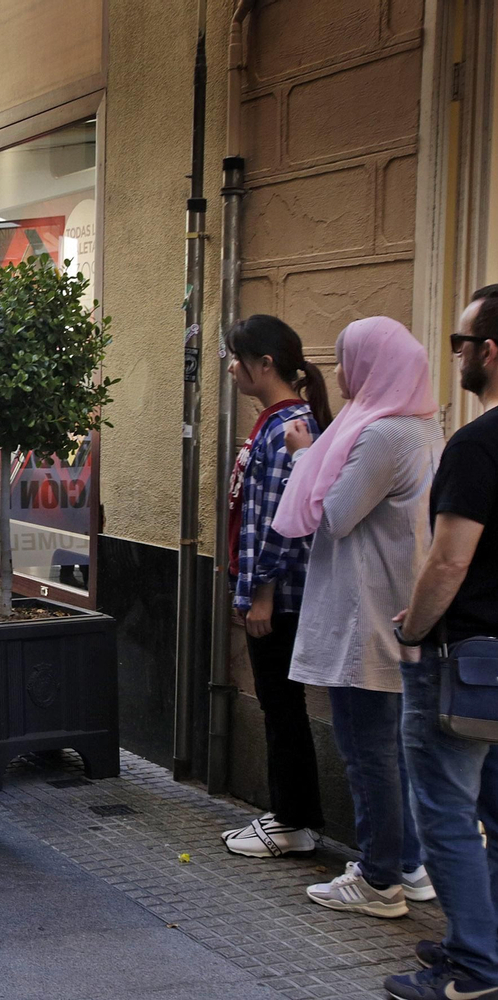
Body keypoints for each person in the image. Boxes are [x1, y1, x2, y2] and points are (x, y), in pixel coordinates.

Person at [274, 316, 440, 918]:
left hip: (363, 613)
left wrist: (304, 455)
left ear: (374, 366)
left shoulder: (381, 436)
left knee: (367, 748)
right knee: (391, 747)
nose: (340, 373)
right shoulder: (418, 427)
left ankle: (378, 880)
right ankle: (410, 865)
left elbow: (337, 513)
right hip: (390, 604)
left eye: (348, 360)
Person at [387, 291, 498, 1000]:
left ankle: (477, 969)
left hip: (468, 659)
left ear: (489, 352)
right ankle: (482, 943)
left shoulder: (478, 444)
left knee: (446, 813)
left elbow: (450, 560)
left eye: (459, 342)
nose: (452, 355)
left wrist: (413, 629)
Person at [218, 315, 333, 858]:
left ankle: (294, 821)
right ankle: (292, 816)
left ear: (266, 364)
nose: (233, 367)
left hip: (281, 598)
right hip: (270, 590)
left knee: (281, 706)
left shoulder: (291, 427)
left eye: (239, 357)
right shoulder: (274, 423)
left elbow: (285, 518)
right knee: (278, 704)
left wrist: (259, 591)